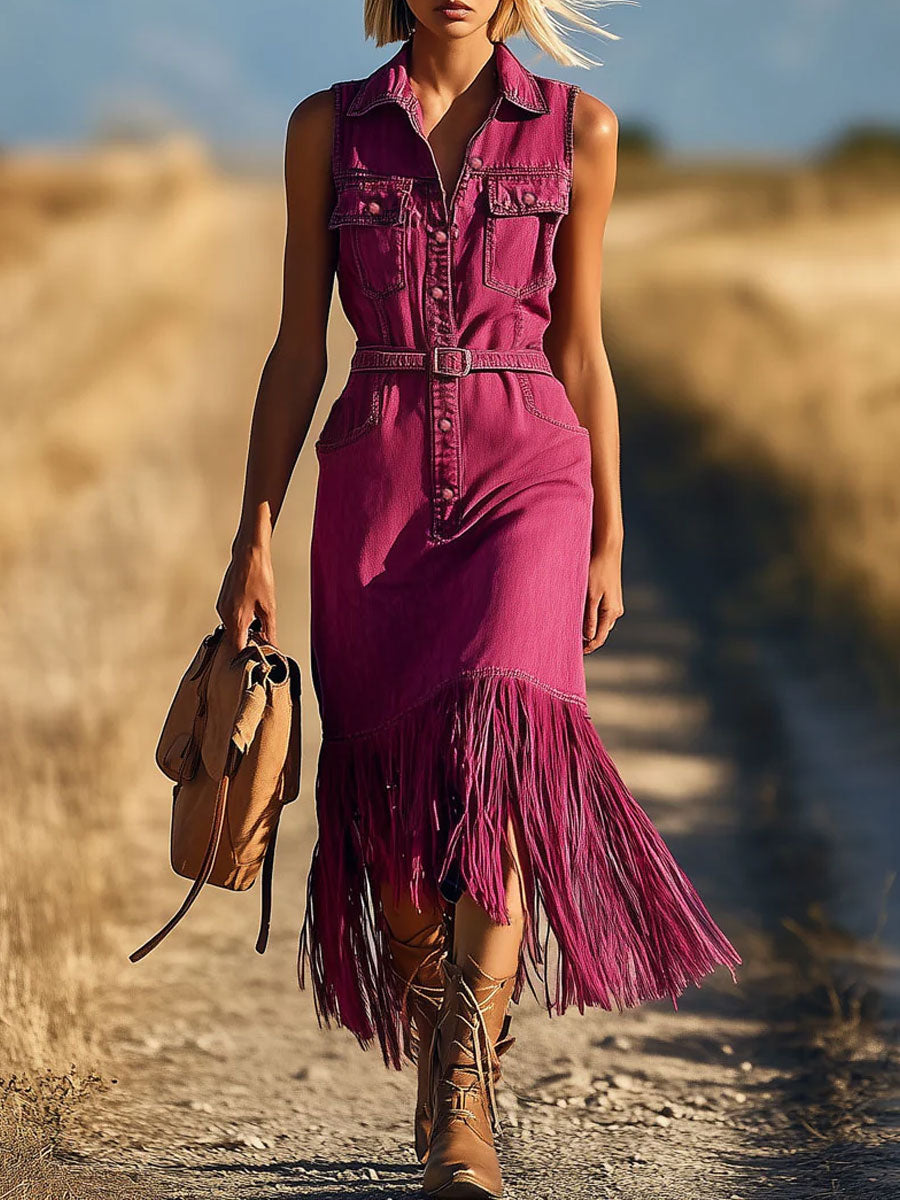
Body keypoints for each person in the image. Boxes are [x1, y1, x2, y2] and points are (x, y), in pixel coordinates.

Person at [216, 2, 741, 1196]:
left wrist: (607, 530)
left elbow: (582, 348)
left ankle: (464, 1092)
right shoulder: (328, 131)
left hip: (530, 475)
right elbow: (300, 346)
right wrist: (252, 534)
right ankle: (448, 1030)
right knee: (399, 834)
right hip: (377, 479)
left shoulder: (578, 129)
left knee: (499, 756)